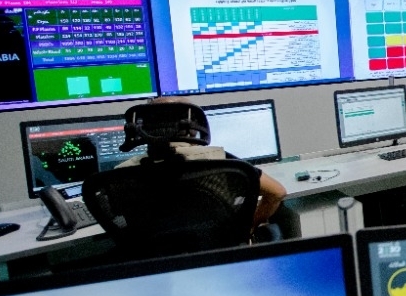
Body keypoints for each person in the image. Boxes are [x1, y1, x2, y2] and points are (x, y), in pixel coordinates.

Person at [118, 97, 286, 230]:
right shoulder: (219, 161)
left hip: (155, 258)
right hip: (221, 252)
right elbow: (277, 193)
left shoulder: (121, 174)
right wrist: (246, 228)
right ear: (193, 127)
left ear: (143, 128)